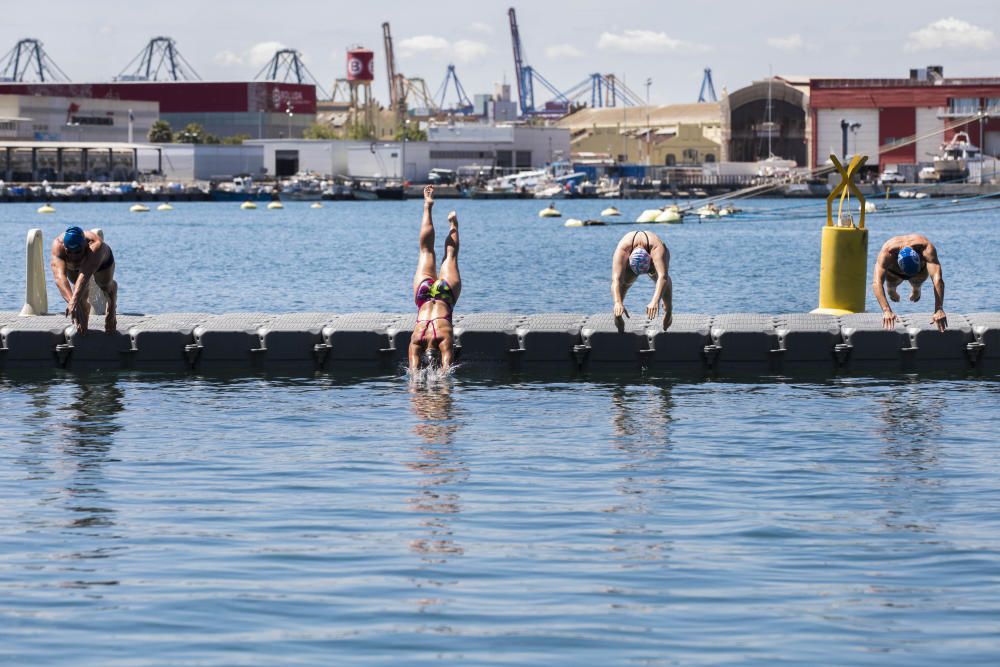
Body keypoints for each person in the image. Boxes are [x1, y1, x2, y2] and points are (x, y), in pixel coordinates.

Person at [409, 185, 461, 372]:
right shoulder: (416, 341)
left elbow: (445, 368)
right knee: (426, 251)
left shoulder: (444, 340)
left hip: (445, 296)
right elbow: (414, 369)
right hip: (423, 296)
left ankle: (453, 225)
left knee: (450, 255)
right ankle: (427, 207)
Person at [50, 226, 118, 334]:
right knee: (78, 296)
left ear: (85, 245)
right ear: (65, 247)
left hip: (101, 261)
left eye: (78, 252)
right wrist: (72, 303)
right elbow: (59, 277)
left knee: (105, 285)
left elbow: (84, 275)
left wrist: (73, 302)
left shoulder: (95, 245)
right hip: (74, 268)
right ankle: (84, 308)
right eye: (69, 252)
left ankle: (112, 304)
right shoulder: (58, 246)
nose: (74, 256)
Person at [872, 233, 946, 332]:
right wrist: (886, 310)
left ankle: (916, 289)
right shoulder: (887, 253)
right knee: (891, 286)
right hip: (894, 272)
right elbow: (877, 283)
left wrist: (939, 308)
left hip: (920, 271)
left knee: (917, 281)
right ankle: (891, 290)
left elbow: (938, 280)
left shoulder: (926, 248)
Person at [611, 229, 672, 333]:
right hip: (631, 260)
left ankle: (668, 309)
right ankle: (618, 314)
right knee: (624, 282)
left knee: (660, 277)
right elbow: (616, 280)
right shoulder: (622, 250)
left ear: (651, 260)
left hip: (654, 258)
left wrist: (655, 301)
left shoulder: (657, 249)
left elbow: (663, 277)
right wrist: (617, 302)